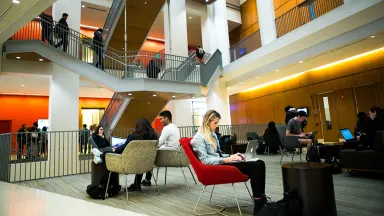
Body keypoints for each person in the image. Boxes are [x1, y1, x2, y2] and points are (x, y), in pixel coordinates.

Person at [191, 110, 267, 215]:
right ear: (207, 122)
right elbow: (205, 160)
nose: (217, 126)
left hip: (221, 162)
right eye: (215, 123)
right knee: (255, 167)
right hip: (216, 166)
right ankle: (258, 203)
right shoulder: (198, 138)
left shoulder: (211, 135)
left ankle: (261, 199)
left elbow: (218, 154)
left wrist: (233, 156)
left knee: (260, 163)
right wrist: (225, 160)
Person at [102, 118, 158, 192]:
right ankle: (137, 185)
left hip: (129, 164)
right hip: (146, 164)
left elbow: (121, 150)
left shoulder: (133, 136)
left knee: (105, 154)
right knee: (140, 158)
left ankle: (107, 184)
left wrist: (115, 150)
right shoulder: (154, 137)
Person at [141, 111, 180, 186]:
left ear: (166, 118)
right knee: (150, 155)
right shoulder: (175, 127)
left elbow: (159, 143)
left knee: (148, 156)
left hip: (167, 153)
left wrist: (148, 149)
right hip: (174, 152)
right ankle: (147, 179)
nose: (160, 121)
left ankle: (146, 179)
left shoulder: (167, 128)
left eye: (161, 119)